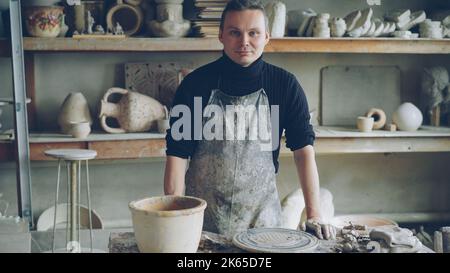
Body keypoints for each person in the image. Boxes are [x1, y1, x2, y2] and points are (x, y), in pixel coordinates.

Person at [164, 0, 335, 240]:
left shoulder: (285, 85)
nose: (244, 42)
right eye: (235, 32)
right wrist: (176, 218)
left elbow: (303, 151)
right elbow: (177, 155)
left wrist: (314, 213)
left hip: (263, 223)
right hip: (201, 224)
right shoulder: (194, 85)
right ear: (221, 35)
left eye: (253, 33)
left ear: (266, 36)